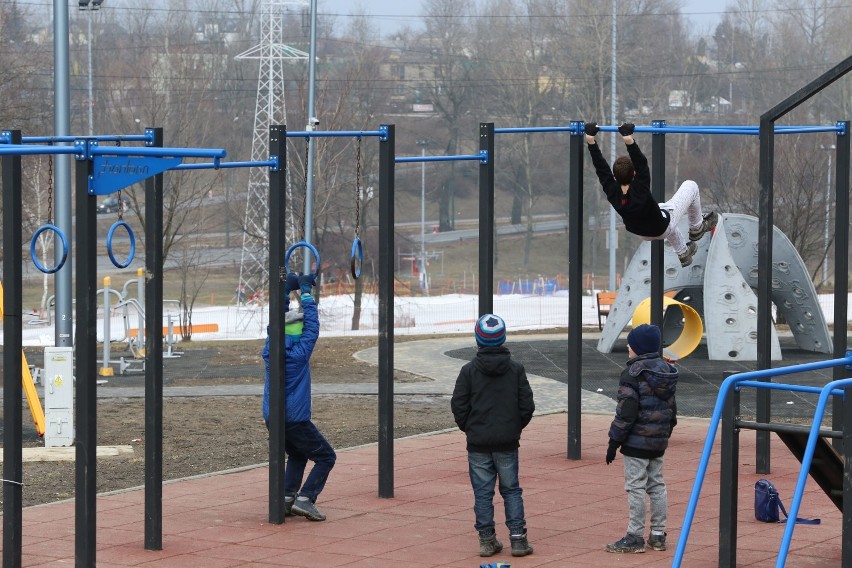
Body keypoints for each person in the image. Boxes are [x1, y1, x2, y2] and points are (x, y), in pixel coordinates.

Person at [451, 314, 536, 558]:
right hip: (507, 441)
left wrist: (469, 428)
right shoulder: (516, 370)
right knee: (511, 490)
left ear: (478, 340)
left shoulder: (468, 371)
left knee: (483, 493)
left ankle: (487, 541)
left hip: (478, 442)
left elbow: (459, 405)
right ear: (503, 338)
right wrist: (514, 427)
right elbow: (526, 405)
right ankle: (518, 540)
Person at [584, 121, 718, 267]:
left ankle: (683, 252)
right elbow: (641, 162)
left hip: (642, 232)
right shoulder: (640, 187)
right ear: (634, 173)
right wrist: (628, 139)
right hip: (660, 227)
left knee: (662, 209)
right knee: (690, 186)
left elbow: (601, 169)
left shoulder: (612, 192)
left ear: (615, 177)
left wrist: (590, 140)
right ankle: (697, 228)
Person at [262, 271, 336, 522]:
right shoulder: (300, 352)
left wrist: (285, 293)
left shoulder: (271, 346)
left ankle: (285, 498)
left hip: (272, 415)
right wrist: (305, 293)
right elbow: (312, 326)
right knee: (326, 456)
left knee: (297, 454)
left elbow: (276, 320)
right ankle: (305, 499)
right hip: (294, 418)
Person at [605, 323, 678, 554]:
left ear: (638, 348)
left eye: (631, 343)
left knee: (635, 486)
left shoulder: (632, 374)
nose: (628, 345)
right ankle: (658, 534)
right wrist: (664, 433)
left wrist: (614, 441)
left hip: (636, 441)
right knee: (657, 485)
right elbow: (672, 411)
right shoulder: (666, 371)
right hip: (658, 440)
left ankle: (634, 535)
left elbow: (626, 411)